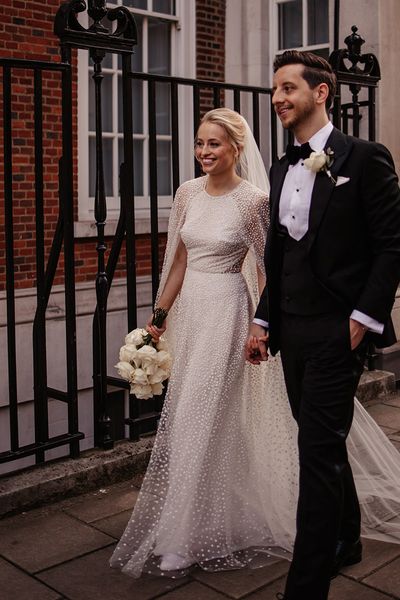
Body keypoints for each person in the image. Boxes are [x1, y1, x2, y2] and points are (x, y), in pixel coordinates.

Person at [110, 106, 400, 584]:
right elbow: (178, 263)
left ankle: (186, 537)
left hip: (229, 313)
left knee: (201, 416)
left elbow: (271, 268)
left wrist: (260, 325)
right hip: (192, 316)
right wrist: (157, 320)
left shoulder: (253, 202)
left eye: (214, 144)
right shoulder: (185, 194)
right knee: (188, 418)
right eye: (200, 143)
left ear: (236, 148)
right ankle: (193, 521)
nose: (204, 152)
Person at [246, 50, 400, 600]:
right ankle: (348, 539)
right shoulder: (283, 166)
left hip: (340, 331)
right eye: (275, 90)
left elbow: (390, 247)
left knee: (315, 452)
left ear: (321, 93)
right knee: (325, 443)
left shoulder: (365, 157)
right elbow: (279, 252)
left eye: (288, 88)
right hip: (292, 330)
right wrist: (264, 318)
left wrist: (361, 322)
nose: (278, 98)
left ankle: (304, 586)